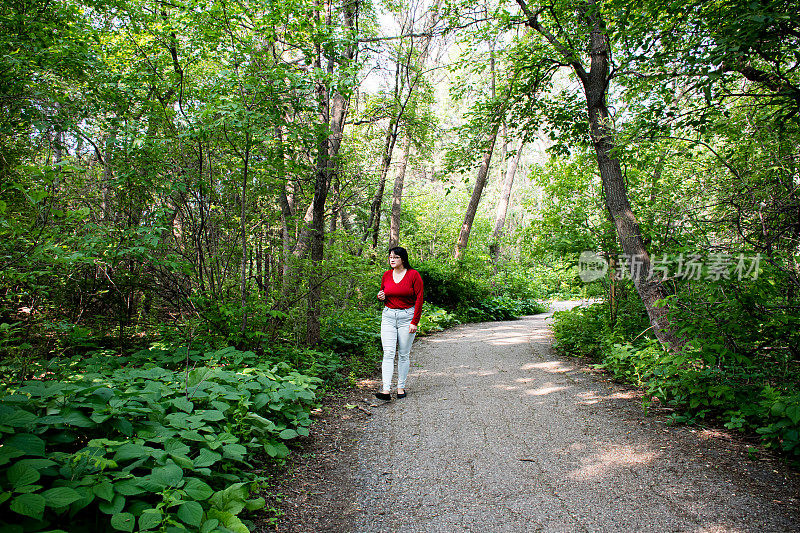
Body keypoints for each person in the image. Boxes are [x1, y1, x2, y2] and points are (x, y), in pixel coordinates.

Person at [375, 246, 424, 401]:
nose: (392, 259)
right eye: (390, 257)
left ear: (403, 259)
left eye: (395, 257)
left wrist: (414, 322)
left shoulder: (413, 275)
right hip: (388, 316)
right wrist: (380, 296)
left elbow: (419, 299)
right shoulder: (386, 275)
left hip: (407, 317)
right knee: (388, 353)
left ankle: (401, 387)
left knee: (403, 354)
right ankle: (386, 390)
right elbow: (384, 293)